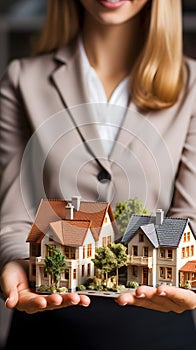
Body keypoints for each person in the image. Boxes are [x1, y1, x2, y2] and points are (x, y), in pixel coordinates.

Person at [0, 0, 196, 349]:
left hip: (157, 330)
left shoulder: (192, 85)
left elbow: (189, 217)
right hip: (46, 326)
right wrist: (18, 264)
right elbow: (16, 218)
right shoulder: (22, 79)